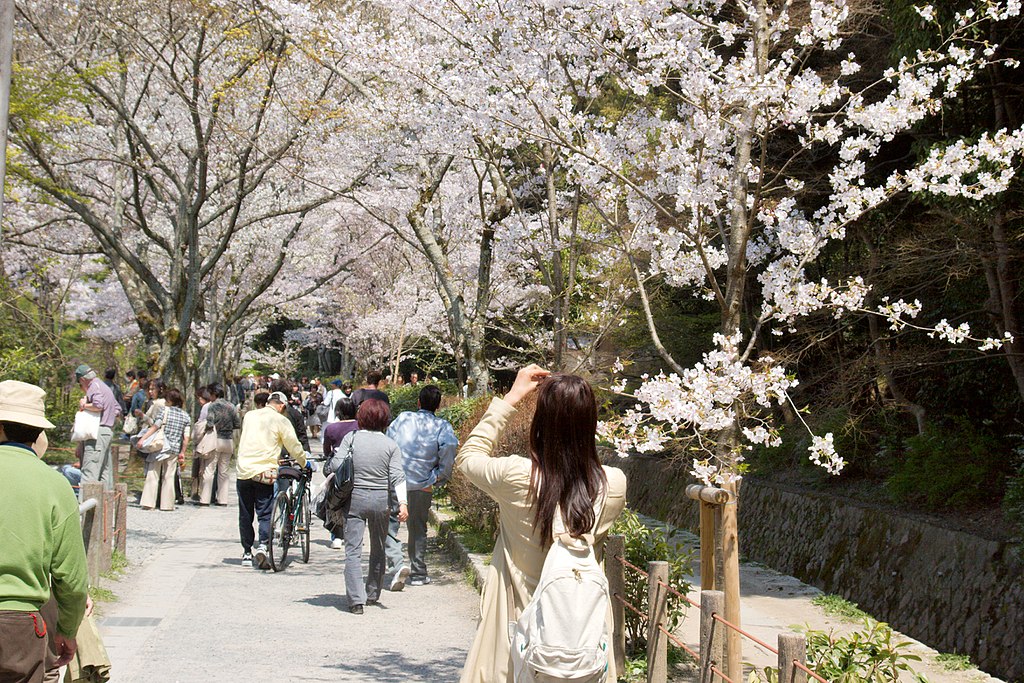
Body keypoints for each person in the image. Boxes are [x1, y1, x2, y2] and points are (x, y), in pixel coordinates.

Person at [456, 365, 627, 683]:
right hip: (582, 647)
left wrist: (511, 398)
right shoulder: (613, 485)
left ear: (541, 423)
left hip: (517, 642)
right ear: (590, 424)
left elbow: (468, 457)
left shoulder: (517, 476)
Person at [0, 380, 88, 681]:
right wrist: (67, 629)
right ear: (39, 432)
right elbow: (72, 579)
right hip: (21, 627)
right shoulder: (55, 485)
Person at [336, 399, 407, 614]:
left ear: (362, 417)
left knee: (353, 550)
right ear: (385, 420)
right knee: (378, 547)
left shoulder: (352, 438)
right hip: (380, 501)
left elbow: (338, 463)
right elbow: (397, 476)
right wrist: (403, 503)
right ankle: (373, 592)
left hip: (354, 499)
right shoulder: (390, 445)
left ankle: (356, 600)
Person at [385, 385, 458, 587]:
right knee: (418, 528)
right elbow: (450, 447)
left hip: (396, 479)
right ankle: (418, 573)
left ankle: (397, 563)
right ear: (438, 405)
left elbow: (389, 440)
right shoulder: (442, 426)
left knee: (389, 525)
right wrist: (438, 476)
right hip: (423, 483)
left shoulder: (403, 418)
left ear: (418, 402)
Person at [235, 391, 306, 569]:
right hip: (264, 471)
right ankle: (264, 545)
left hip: (243, 470)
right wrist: (304, 462)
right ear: (282, 406)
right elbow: (293, 445)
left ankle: (246, 552)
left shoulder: (249, 416)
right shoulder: (281, 420)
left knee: (245, 513)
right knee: (265, 512)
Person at [137, 388, 191, 511]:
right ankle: (167, 505)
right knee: (169, 476)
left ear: (171, 400)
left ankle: (149, 503)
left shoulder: (165, 411)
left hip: (160, 446)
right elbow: (186, 437)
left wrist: (142, 439)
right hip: (174, 449)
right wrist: (182, 452)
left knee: (153, 473)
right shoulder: (186, 416)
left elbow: (155, 427)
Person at [75, 364, 122, 491]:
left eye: (80, 384)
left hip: (97, 432)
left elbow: (98, 405)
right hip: (106, 432)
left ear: (82, 380)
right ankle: (104, 506)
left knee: (90, 470)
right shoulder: (104, 387)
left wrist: (84, 405)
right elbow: (117, 409)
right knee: (104, 473)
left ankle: (85, 508)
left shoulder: (93, 386)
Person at [322, 397, 358, 550]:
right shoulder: (360, 426)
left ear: (338, 412)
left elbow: (326, 450)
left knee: (334, 502)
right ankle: (353, 535)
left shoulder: (331, 428)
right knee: (354, 502)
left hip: (338, 469)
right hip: (357, 467)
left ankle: (337, 536)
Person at [200, 384, 240, 506]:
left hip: (215, 440)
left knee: (209, 470)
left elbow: (210, 422)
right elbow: (237, 423)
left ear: (214, 394)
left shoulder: (213, 406)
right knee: (224, 472)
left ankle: (205, 499)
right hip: (228, 441)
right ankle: (223, 500)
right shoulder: (231, 406)